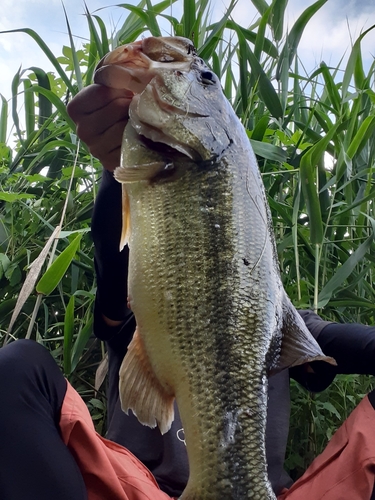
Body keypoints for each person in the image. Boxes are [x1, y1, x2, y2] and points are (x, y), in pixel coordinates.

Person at [1, 82, 375, 500]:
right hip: (141, 489)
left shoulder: (283, 325)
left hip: (265, 494)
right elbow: (112, 281)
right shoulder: (150, 299)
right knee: (17, 368)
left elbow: (350, 346)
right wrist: (117, 168)